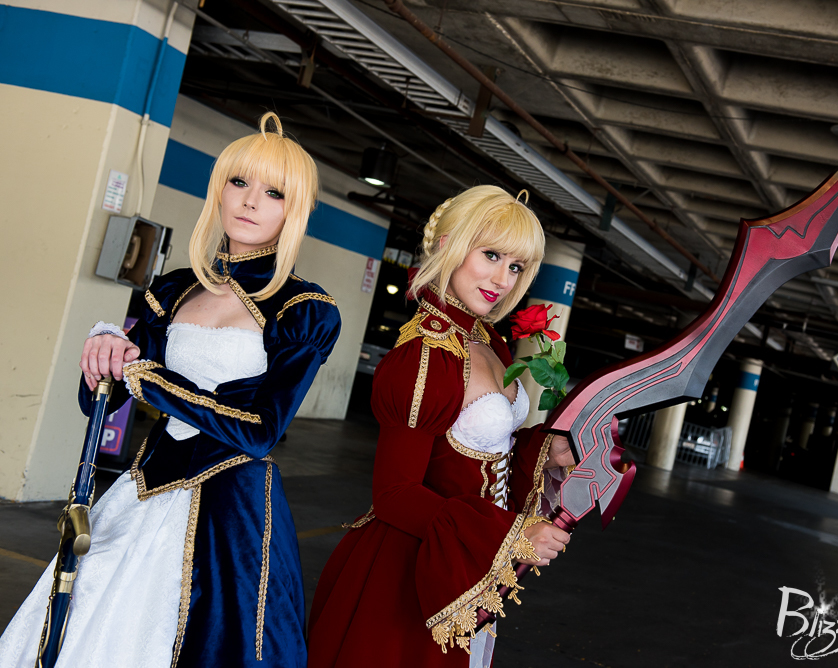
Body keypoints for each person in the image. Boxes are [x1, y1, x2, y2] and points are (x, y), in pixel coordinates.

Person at [0, 113, 340, 668]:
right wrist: (105, 357)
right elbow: (103, 402)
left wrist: (150, 379)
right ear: (219, 189)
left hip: (232, 511)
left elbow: (261, 430)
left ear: (293, 210)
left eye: (273, 192)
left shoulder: (303, 308)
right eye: (238, 182)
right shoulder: (175, 289)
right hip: (142, 488)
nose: (250, 201)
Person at [307, 185, 574, 668]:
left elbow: (483, 448)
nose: (503, 279)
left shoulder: (487, 339)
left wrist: (544, 451)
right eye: (491, 255)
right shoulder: (425, 355)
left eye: (516, 266)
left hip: (459, 567)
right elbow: (395, 494)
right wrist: (511, 535)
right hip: (407, 572)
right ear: (450, 244)